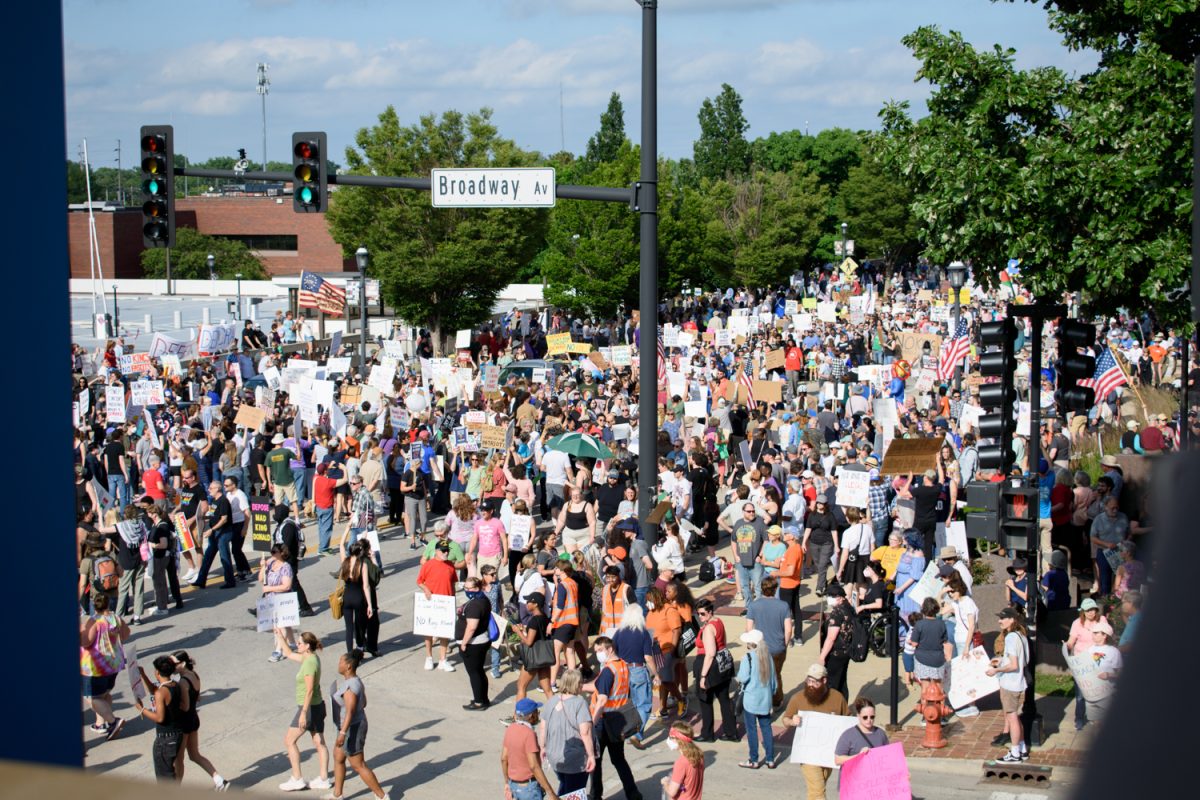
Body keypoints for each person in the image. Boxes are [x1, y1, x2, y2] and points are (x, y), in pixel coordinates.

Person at [584, 636, 642, 800]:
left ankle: (595, 795)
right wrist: (579, 686)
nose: (598, 654)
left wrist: (592, 723)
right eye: (596, 651)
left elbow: (601, 699)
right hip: (618, 720)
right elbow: (598, 686)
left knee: (595, 760)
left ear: (609, 649)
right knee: (618, 759)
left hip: (602, 722)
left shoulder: (608, 671)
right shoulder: (622, 665)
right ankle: (633, 793)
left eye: (600, 650)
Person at [782, 663, 849, 800]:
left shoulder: (837, 698)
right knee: (818, 792)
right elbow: (785, 720)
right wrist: (792, 721)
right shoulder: (798, 698)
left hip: (828, 754)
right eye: (809, 680)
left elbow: (847, 721)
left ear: (824, 680)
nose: (811, 685)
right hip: (807, 754)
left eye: (815, 681)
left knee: (816, 789)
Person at [329, 649, 389, 800]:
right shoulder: (356, 680)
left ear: (348, 666)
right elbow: (364, 703)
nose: (338, 664)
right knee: (338, 757)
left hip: (351, 729)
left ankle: (382, 796)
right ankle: (337, 794)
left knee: (358, 765)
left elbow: (350, 711)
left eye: (341, 662)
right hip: (348, 726)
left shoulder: (350, 687)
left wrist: (343, 733)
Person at [168, 651, 228, 790]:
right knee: (194, 755)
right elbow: (198, 698)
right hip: (194, 719)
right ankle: (219, 780)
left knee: (179, 759)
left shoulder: (183, 682)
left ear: (182, 664)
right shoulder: (194, 675)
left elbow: (185, 706)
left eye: (173, 664)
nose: (171, 667)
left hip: (184, 723)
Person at [279, 632, 331, 791]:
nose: (297, 645)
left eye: (300, 643)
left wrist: (303, 713)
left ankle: (297, 778)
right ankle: (324, 778)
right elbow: (288, 653)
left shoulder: (309, 663)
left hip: (308, 708)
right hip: (317, 706)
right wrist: (279, 635)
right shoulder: (311, 657)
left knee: (289, 741)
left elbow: (309, 690)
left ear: (307, 646)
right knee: (319, 742)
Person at [537, 668, 596, 797]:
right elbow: (585, 732)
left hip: (555, 756)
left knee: (564, 785)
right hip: (575, 759)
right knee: (574, 793)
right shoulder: (579, 703)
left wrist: (542, 747)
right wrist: (591, 756)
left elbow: (543, 728)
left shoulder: (552, 700)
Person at [80, 592, 130, 741]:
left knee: (92, 697)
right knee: (105, 694)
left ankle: (113, 721)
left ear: (94, 606)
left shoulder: (93, 621)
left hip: (95, 667)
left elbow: (86, 642)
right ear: (108, 604)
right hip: (113, 664)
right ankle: (102, 724)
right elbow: (126, 634)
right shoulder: (116, 619)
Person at [132, 655, 189, 782]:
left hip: (165, 738)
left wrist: (142, 710)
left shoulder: (161, 692)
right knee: (171, 774)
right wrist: (143, 675)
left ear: (157, 672)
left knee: (164, 778)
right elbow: (155, 691)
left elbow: (160, 718)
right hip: (178, 733)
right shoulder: (176, 685)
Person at [610, 602, 659, 748]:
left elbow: (613, 651)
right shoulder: (643, 633)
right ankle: (636, 734)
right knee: (643, 704)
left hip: (624, 671)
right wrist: (656, 674)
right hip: (638, 670)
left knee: (628, 703)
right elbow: (648, 658)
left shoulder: (619, 632)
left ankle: (626, 730)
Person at [987, 608, 1030, 763]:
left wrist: (996, 669)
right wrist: (1001, 661)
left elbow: (1013, 665)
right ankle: (1023, 748)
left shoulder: (1011, 637)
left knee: (1012, 718)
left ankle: (1015, 753)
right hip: (1019, 683)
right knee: (1016, 718)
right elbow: (1021, 661)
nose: (1000, 621)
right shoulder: (1021, 636)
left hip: (1010, 684)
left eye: (1004, 618)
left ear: (1012, 620)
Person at [744, 574, 792, 707]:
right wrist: (784, 645)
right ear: (775, 589)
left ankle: (762, 702)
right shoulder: (783, 606)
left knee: (761, 676)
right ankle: (777, 701)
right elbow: (788, 630)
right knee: (776, 675)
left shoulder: (754, 606)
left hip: (760, 648)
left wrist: (751, 647)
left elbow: (748, 629)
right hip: (778, 648)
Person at [692, 598, 737, 743]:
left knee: (705, 701)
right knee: (724, 699)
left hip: (710, 666)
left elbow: (710, 653)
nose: (700, 617)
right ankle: (731, 732)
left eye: (703, 614)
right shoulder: (718, 622)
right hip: (723, 663)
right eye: (698, 614)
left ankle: (707, 733)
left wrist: (703, 676)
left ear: (710, 612)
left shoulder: (708, 629)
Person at [735, 629, 778, 769]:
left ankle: (754, 759)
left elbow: (742, 678)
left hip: (751, 700)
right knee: (766, 728)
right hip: (765, 700)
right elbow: (774, 683)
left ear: (750, 643)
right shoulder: (768, 657)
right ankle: (770, 759)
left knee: (751, 729)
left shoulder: (747, 658)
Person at [502, 698, 559, 800]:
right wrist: (551, 793)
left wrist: (507, 783)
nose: (538, 714)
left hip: (513, 785)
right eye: (537, 711)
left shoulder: (510, 729)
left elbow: (504, 759)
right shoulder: (529, 734)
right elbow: (534, 766)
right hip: (529, 789)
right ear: (531, 716)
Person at [1066, 597, 1108, 731]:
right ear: (1083, 612)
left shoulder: (1102, 620)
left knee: (1098, 693)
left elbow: (1108, 635)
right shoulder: (1077, 623)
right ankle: (1079, 718)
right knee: (1080, 695)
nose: (1091, 613)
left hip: (1097, 661)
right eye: (1088, 610)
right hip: (1082, 663)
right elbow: (1071, 641)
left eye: (1093, 610)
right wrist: (1066, 647)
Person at [417, 541, 457, 672]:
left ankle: (442, 660)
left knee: (444, 632)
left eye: (447, 551)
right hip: (432, 603)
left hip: (446, 602)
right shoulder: (428, 565)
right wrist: (426, 590)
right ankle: (429, 657)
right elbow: (419, 581)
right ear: (437, 551)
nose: (446, 553)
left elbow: (452, 583)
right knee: (429, 631)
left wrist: (452, 600)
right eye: (444, 551)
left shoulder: (451, 565)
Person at [458, 575, 493, 710]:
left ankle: (478, 702)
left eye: (470, 588)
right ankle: (483, 699)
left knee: (474, 673)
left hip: (474, 644)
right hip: (481, 640)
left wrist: (464, 643)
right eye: (465, 587)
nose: (467, 590)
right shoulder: (483, 600)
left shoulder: (475, 605)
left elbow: (472, 627)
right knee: (479, 671)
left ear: (477, 588)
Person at [513, 592, 554, 702]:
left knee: (521, 686)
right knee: (548, 689)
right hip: (544, 657)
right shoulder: (545, 617)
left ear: (535, 604)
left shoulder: (534, 621)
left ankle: (518, 716)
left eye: (528, 602)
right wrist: (523, 632)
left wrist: (518, 632)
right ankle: (559, 713)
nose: (526, 604)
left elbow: (529, 642)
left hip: (533, 659)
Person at [261, 543, 298, 663]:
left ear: (281, 553)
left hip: (283, 600)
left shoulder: (286, 567)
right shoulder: (270, 564)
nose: (272, 554)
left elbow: (286, 586)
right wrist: (263, 567)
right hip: (271, 600)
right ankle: (292, 643)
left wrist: (269, 589)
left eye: (274, 552)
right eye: (271, 552)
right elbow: (260, 579)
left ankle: (279, 650)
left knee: (280, 625)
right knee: (285, 623)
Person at [817, 584, 854, 701]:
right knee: (842, 681)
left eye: (831, 596)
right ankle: (843, 707)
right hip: (846, 651)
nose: (828, 598)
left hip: (836, 653)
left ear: (840, 597)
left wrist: (822, 656)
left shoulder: (837, 613)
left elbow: (831, 638)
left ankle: (834, 709)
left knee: (832, 684)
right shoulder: (848, 607)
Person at [1084, 622, 1122, 727]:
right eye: (1093, 633)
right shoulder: (1090, 649)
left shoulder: (1113, 651)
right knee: (1095, 726)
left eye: (1096, 633)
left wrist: (1108, 675)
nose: (1093, 635)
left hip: (1107, 694)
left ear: (1105, 635)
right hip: (1092, 695)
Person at [339, 542, 374, 655]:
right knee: (359, 626)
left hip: (347, 598)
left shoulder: (345, 562)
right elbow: (366, 586)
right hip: (359, 598)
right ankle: (359, 649)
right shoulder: (363, 565)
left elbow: (341, 545)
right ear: (360, 552)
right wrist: (370, 604)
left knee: (349, 628)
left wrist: (348, 527)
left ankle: (349, 653)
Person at [801, 495, 839, 596]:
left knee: (822, 565)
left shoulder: (830, 516)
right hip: (814, 543)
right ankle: (823, 582)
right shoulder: (812, 515)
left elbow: (834, 531)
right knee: (819, 566)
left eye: (821, 503)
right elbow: (808, 528)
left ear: (825, 504)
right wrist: (804, 542)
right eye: (818, 502)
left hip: (827, 543)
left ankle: (820, 587)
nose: (819, 505)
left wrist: (836, 545)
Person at [833, 697, 889, 765]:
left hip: (875, 774)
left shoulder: (881, 734)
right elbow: (838, 760)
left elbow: (888, 756)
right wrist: (859, 756)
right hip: (855, 774)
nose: (869, 720)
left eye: (872, 717)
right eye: (865, 717)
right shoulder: (848, 735)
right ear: (858, 716)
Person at [730, 501, 766, 603]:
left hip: (755, 562)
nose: (752, 513)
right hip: (741, 562)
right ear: (743, 512)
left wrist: (760, 555)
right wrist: (736, 556)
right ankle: (749, 608)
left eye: (753, 511)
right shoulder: (738, 523)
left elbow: (766, 540)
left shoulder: (760, 522)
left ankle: (759, 607)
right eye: (749, 511)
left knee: (758, 587)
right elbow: (733, 540)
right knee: (745, 587)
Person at [660, 721, 705, 800]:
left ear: (678, 740)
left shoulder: (681, 762)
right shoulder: (699, 755)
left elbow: (672, 792)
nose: (668, 740)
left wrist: (665, 783)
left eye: (671, 737)